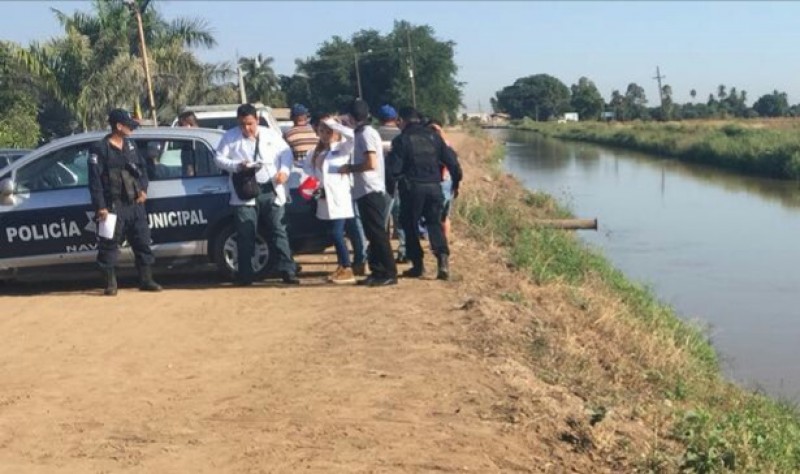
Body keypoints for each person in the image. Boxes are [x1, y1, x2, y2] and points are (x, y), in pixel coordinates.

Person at [214, 103, 299, 286]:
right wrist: (236, 166)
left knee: (279, 230)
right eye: (243, 124)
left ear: (257, 120)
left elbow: (287, 154)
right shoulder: (230, 137)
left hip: (271, 189)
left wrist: (284, 171)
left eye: (250, 124)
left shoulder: (270, 135)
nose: (247, 128)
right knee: (245, 233)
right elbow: (219, 159)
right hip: (245, 191)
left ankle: (288, 270)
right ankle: (245, 275)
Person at [88, 108, 162, 296]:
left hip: (135, 204)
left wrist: (144, 190)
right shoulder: (100, 149)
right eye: (128, 125)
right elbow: (95, 181)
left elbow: (143, 170)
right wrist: (101, 207)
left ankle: (146, 279)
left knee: (142, 241)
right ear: (118, 126)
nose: (131, 129)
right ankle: (111, 284)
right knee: (109, 246)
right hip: (113, 207)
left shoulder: (131, 146)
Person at [388, 106, 462, 280]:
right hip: (434, 187)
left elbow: (394, 170)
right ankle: (442, 261)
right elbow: (453, 162)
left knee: (410, 225)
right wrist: (456, 184)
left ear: (402, 121)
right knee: (435, 224)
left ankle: (418, 265)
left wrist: (392, 188)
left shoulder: (401, 140)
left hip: (412, 189)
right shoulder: (434, 138)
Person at [337, 98, 398, 286]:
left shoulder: (366, 134)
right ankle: (378, 270)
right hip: (364, 190)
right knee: (373, 234)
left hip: (371, 190)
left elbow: (370, 163)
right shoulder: (361, 133)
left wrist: (350, 168)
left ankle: (389, 272)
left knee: (378, 234)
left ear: (352, 116)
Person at [303, 115, 358, 284]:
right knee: (332, 234)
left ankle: (347, 267)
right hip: (323, 199)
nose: (325, 134)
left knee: (336, 233)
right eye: (322, 130)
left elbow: (351, 135)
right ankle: (342, 266)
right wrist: (311, 191)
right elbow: (308, 174)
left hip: (339, 198)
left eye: (329, 131)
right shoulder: (314, 152)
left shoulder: (342, 148)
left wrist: (334, 123)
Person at [377, 104, 406, 263]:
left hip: (381, 183)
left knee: (382, 219)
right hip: (400, 182)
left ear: (379, 118)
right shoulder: (402, 135)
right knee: (401, 218)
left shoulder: (375, 135)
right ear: (395, 118)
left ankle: (382, 250)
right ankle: (403, 250)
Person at [177, 110, 198, 176]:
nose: (179, 128)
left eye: (181, 125)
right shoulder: (197, 139)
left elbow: (190, 169)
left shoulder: (191, 143)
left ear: (188, 125)